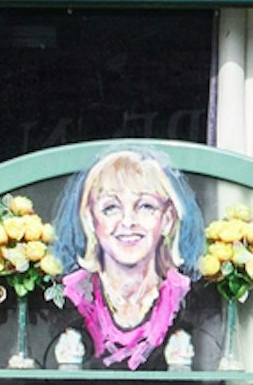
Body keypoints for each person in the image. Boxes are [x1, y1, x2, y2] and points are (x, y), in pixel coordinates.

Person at [49, 145, 211, 370]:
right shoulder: (70, 298)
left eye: (145, 206)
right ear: (89, 219)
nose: (128, 222)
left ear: (167, 219)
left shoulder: (188, 299)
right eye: (111, 208)